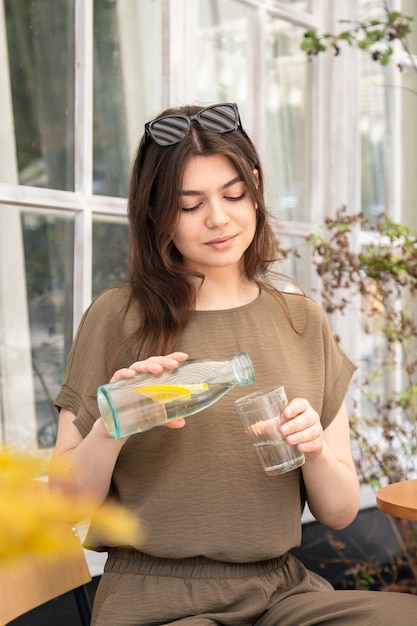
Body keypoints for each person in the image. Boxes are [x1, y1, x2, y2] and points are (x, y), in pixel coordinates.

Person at [50, 102, 417, 625]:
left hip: (282, 593)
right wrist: (111, 427)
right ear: (156, 211)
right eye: (189, 203)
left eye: (233, 194)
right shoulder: (118, 317)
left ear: (257, 188)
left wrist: (313, 451)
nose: (218, 218)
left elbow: (337, 513)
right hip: (156, 600)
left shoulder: (300, 320)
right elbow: (65, 508)